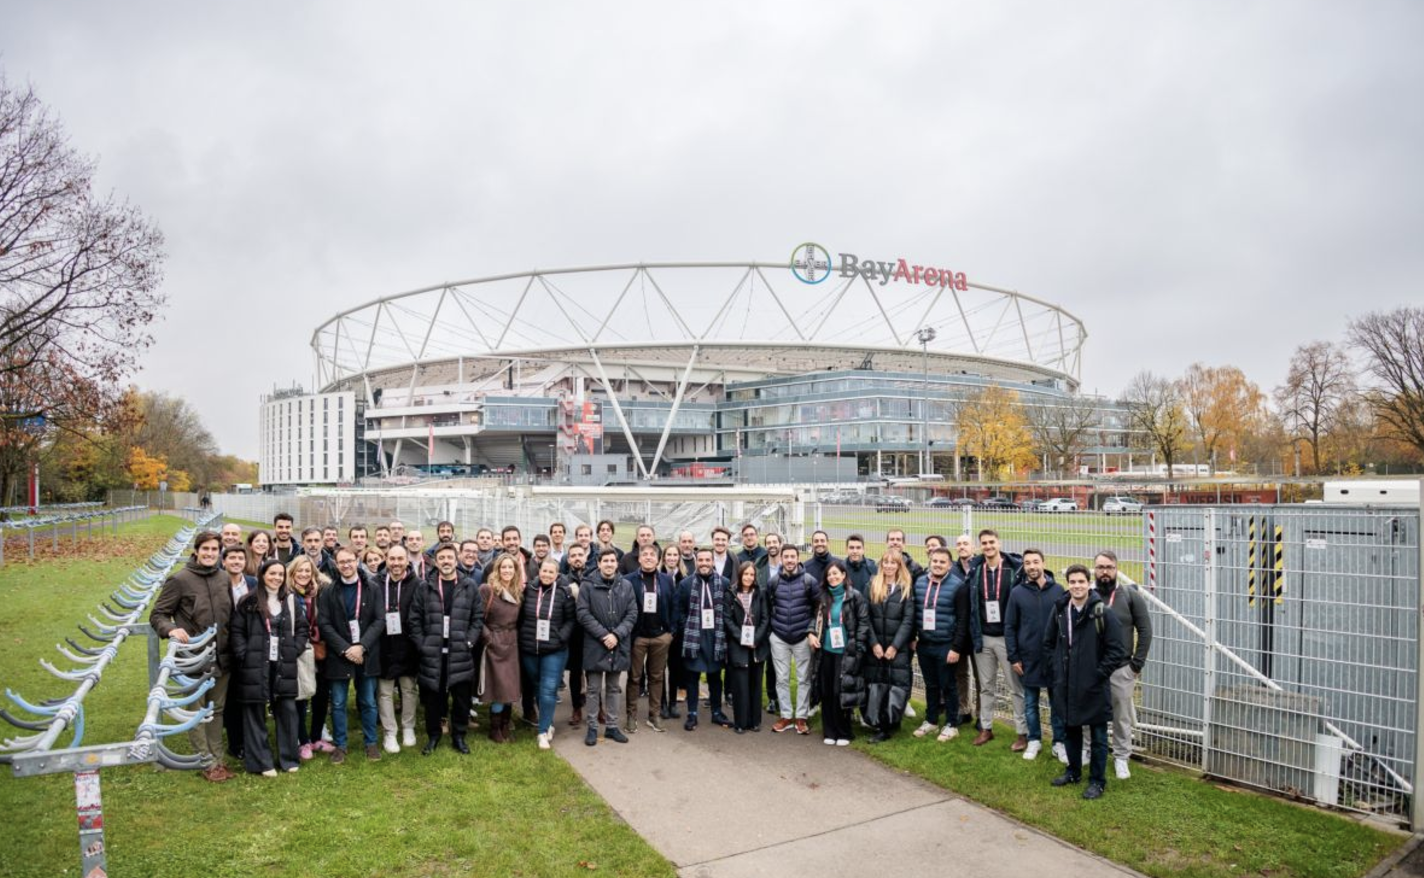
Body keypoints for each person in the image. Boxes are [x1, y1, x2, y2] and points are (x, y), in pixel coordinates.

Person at [150, 530, 234, 782]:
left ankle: (218, 759)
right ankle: (205, 761)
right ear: (196, 551)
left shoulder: (223, 578)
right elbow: (158, 614)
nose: (210, 553)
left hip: (222, 657)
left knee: (216, 711)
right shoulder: (180, 580)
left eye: (214, 549)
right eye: (205, 549)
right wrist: (170, 629)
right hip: (193, 658)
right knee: (196, 712)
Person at [1043, 564, 1127, 800]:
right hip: (1066, 683)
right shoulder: (1060, 610)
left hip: (1093, 685)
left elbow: (1116, 650)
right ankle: (1073, 771)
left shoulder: (1102, 612)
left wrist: (1098, 674)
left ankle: (1097, 781)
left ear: (1088, 584)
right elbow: (1048, 643)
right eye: (1072, 582)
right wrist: (1057, 670)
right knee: (1071, 730)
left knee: (1098, 736)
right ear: (1067, 584)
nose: (1077, 586)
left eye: (1081, 582)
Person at [229, 559, 307, 776]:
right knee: (254, 712)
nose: (276, 578)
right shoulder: (248, 602)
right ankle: (262, 762)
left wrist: (295, 649)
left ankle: (289, 759)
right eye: (272, 573)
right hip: (255, 665)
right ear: (263, 575)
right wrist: (244, 655)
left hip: (284, 663)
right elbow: (237, 632)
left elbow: (302, 628)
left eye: (280, 574)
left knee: (288, 711)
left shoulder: (290, 600)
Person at [410, 543, 484, 754]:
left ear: (456, 559)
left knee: (461, 699)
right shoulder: (425, 587)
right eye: (441, 558)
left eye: (449, 557)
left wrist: (469, 642)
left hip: (459, 653)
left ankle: (459, 736)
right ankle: (433, 736)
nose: (446, 561)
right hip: (433, 653)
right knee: (433, 699)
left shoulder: (469, 586)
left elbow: (478, 618)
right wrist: (422, 645)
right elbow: (414, 620)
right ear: (436, 561)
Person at [317, 547, 385, 763]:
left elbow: (379, 620)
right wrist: (346, 649)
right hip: (340, 654)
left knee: (367, 701)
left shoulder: (372, 588)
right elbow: (324, 623)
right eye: (341, 562)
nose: (346, 565)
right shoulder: (328, 591)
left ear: (357, 561)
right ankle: (341, 745)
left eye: (349, 561)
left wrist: (361, 646)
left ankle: (371, 743)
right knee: (337, 702)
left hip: (366, 653)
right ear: (336, 564)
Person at [1094, 550, 1153, 779]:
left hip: (1121, 669)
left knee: (1121, 717)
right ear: (1095, 570)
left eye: (1109, 567)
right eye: (1100, 567)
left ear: (1116, 569)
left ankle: (1121, 757)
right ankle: (1089, 751)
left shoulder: (1130, 596)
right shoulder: (1088, 595)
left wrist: (1136, 665)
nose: (1105, 572)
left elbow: (1145, 630)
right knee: (1092, 713)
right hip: (1093, 669)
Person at [967, 529, 1026, 749]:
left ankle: (1022, 732)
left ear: (999, 543)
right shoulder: (975, 570)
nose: (988, 546)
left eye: (992, 542)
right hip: (983, 638)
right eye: (984, 543)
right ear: (980, 546)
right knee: (986, 687)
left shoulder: (1014, 569)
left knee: (1015, 688)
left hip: (1006, 638)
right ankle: (986, 728)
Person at [1004, 549, 1065, 762]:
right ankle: (1034, 740)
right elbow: (1010, 626)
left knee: (1057, 703)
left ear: (1043, 563)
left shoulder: (1058, 591)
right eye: (1027, 563)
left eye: (1035, 562)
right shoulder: (1017, 592)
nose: (1032, 566)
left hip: (1054, 658)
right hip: (1027, 658)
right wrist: (1014, 657)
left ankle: (1059, 742)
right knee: (1030, 703)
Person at [576, 548, 638, 746]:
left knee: (613, 688)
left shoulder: (626, 586)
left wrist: (617, 635)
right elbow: (583, 614)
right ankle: (592, 727)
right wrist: (604, 635)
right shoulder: (587, 586)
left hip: (618, 644)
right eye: (606, 561)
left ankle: (612, 726)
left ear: (617, 563)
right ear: (599, 563)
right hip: (596, 644)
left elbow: (632, 614)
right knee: (593, 689)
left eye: (613, 560)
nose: (609, 564)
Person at [912, 547, 973, 743]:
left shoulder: (958, 586)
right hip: (924, 643)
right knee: (930, 685)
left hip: (946, 645)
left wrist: (956, 647)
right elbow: (915, 613)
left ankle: (951, 724)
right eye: (935, 561)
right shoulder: (919, 582)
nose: (937, 564)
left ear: (949, 564)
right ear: (930, 561)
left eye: (942, 562)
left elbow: (963, 620)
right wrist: (914, 637)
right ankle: (931, 720)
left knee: (948, 686)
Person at [807, 560, 869, 746]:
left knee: (840, 691)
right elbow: (815, 619)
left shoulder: (854, 596)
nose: (832, 577)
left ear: (843, 575)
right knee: (826, 691)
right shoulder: (823, 597)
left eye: (836, 574)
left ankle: (844, 732)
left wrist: (858, 648)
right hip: (825, 651)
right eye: (829, 575)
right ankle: (829, 730)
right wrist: (811, 634)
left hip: (846, 652)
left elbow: (863, 623)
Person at [519, 558, 577, 750]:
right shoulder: (529, 590)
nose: (547, 575)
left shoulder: (563, 593)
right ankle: (548, 721)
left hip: (554, 650)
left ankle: (542, 732)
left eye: (551, 572)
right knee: (537, 687)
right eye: (544, 571)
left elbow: (571, 620)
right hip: (530, 649)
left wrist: (561, 638)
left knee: (548, 688)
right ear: (539, 571)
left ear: (557, 575)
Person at [766, 544, 819, 735]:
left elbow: (817, 608)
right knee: (781, 678)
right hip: (779, 636)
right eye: (786, 556)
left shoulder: (809, 581)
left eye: (792, 556)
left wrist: (810, 630)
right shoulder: (773, 582)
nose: (789, 560)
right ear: (781, 559)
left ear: (798, 558)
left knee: (804, 678)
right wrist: (772, 632)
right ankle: (786, 715)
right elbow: (768, 606)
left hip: (802, 637)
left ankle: (801, 717)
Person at [678, 547, 731, 730]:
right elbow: (681, 611)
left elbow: (728, 611)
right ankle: (692, 713)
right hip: (694, 635)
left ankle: (716, 711)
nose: (704, 564)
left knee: (715, 677)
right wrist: (688, 628)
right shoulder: (685, 584)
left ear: (713, 562)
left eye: (708, 560)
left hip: (716, 636)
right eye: (700, 560)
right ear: (696, 562)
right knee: (692, 676)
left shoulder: (724, 583)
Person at [624, 543, 676, 733]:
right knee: (634, 677)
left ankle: (654, 715)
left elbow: (674, 606)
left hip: (660, 637)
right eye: (644, 554)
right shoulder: (628, 580)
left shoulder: (666, 580)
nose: (648, 557)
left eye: (652, 555)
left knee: (657, 677)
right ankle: (631, 715)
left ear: (658, 559)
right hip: (638, 637)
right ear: (639, 558)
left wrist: (670, 633)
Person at [863, 552, 914, 743]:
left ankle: (890, 724)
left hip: (896, 648)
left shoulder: (905, 587)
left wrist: (895, 646)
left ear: (899, 565)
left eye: (894, 563)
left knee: (896, 685)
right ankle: (878, 723)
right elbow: (865, 617)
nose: (890, 566)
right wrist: (874, 643)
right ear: (881, 564)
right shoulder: (872, 585)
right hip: (876, 647)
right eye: (886, 562)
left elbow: (908, 620)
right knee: (877, 686)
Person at [286, 554, 331, 760]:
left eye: (307, 571)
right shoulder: (287, 594)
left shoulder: (321, 593)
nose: (303, 575)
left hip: (321, 648)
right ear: (292, 574)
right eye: (299, 571)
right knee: (301, 696)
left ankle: (316, 737)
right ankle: (302, 741)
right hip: (300, 650)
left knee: (322, 694)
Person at [376, 544, 420, 753]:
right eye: (392, 559)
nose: (396, 563)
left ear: (406, 561)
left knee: (409, 689)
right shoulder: (376, 583)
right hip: (383, 644)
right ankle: (390, 732)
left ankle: (408, 726)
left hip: (408, 644)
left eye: (400, 559)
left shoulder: (418, 584)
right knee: (384, 691)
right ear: (386, 559)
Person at [480, 552, 525, 742]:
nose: (507, 571)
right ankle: (495, 728)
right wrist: (488, 638)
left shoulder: (517, 592)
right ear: (497, 570)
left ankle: (506, 725)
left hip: (512, 643)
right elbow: (477, 618)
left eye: (511, 567)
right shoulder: (487, 590)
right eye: (503, 567)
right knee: (499, 688)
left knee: (510, 688)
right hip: (494, 644)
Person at [724, 560, 770, 733]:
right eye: (746, 574)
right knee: (740, 685)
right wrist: (742, 638)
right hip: (738, 644)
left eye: (752, 574)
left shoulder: (760, 593)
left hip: (757, 645)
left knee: (756, 685)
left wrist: (756, 639)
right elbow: (727, 619)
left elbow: (766, 618)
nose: (749, 577)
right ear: (740, 575)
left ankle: (755, 721)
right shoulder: (731, 593)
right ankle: (740, 722)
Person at [221, 546, 255, 762]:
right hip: (225, 647)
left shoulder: (253, 583)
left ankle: (250, 739)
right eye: (232, 558)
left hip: (250, 646)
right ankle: (236, 743)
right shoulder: (217, 584)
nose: (236, 561)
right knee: (231, 699)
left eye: (240, 558)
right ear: (223, 561)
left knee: (249, 696)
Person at [561, 543, 592, 727]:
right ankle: (576, 708)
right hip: (573, 633)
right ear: (569, 559)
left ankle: (598, 707)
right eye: (573, 555)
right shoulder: (563, 580)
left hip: (591, 632)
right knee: (575, 672)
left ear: (586, 556)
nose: (577, 558)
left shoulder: (593, 578)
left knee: (593, 672)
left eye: (580, 554)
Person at [952, 532, 977, 726]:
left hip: (977, 630)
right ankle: (963, 708)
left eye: (965, 543)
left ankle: (982, 716)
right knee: (961, 673)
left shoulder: (980, 567)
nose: (962, 547)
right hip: (959, 630)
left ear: (973, 547)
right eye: (959, 544)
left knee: (981, 675)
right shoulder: (952, 570)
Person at [844, 534, 878, 599]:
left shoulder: (873, 569)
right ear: (846, 549)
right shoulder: (840, 569)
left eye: (858, 548)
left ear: (863, 550)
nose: (855, 551)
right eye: (851, 548)